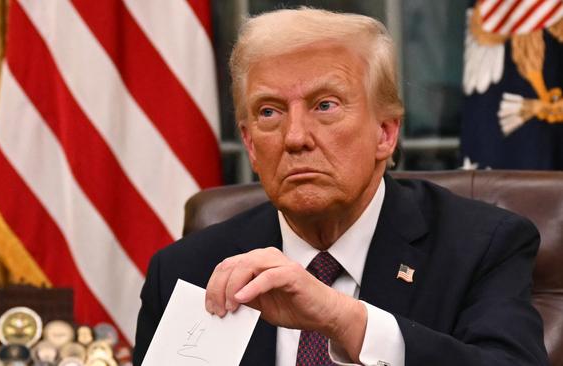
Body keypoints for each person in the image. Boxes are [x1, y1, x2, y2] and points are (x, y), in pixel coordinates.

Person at [133, 8, 548, 366]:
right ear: (250, 145)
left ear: (385, 133)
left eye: (325, 105)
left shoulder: (480, 247)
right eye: (269, 111)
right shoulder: (188, 272)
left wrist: (344, 320)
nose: (295, 137)